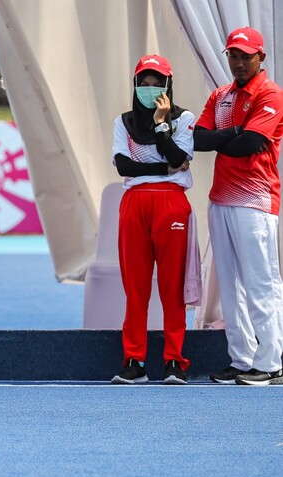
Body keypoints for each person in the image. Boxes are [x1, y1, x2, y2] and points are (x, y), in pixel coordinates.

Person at [194, 27, 283, 386]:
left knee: (261, 282)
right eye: (233, 55)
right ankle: (243, 358)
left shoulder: (272, 93)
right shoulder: (221, 95)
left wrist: (225, 138)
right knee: (229, 284)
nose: (239, 62)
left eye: (246, 56)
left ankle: (272, 361)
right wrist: (230, 135)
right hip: (221, 200)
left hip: (255, 202)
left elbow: (251, 144)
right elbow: (197, 139)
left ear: (261, 57)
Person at [110, 54, 195, 385]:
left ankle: (174, 360)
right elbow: (124, 166)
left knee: (172, 287)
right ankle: (135, 361)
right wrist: (165, 170)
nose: (149, 89)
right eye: (143, 83)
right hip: (134, 204)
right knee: (136, 286)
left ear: (168, 85)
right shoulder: (124, 122)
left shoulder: (184, 118)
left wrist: (161, 124)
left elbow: (179, 156)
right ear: (135, 86)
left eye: (156, 82)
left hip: (171, 205)